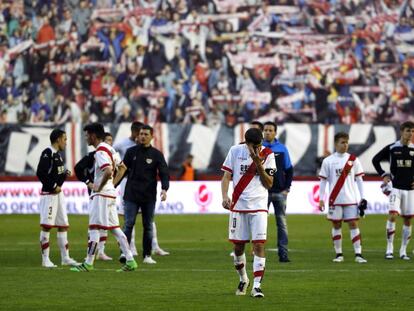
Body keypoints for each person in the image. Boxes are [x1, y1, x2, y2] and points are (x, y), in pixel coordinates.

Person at [70, 123, 137, 272]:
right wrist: (112, 186)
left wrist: (97, 187)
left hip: (101, 195)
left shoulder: (100, 151)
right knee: (115, 229)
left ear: (93, 135)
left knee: (94, 227)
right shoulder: (110, 148)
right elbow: (123, 168)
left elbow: (107, 170)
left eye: (87, 135)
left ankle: (88, 263)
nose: (86, 138)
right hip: (110, 194)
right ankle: (130, 260)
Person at [221, 128, 276, 298]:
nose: (258, 148)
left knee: (259, 244)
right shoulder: (235, 151)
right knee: (238, 247)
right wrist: (225, 196)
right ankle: (244, 278)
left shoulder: (268, 154)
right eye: (254, 146)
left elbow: (269, 184)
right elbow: (226, 176)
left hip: (259, 205)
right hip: (238, 205)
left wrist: (258, 162)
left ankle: (257, 286)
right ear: (247, 143)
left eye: (260, 145)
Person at [115, 125, 170, 264]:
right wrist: (113, 185)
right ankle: (124, 253)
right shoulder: (130, 152)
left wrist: (164, 189)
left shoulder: (157, 154)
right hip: (131, 194)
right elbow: (122, 171)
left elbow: (164, 172)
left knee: (148, 225)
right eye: (141, 134)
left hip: (149, 195)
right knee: (128, 224)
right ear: (137, 136)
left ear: (152, 136)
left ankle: (147, 256)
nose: (143, 136)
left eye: (146, 134)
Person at [319, 132, 367, 263]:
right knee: (336, 225)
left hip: (351, 199)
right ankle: (339, 254)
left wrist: (363, 198)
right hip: (335, 200)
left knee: (353, 224)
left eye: (347, 142)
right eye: (342, 142)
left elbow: (360, 180)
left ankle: (358, 254)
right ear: (336, 144)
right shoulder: (328, 161)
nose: (345, 145)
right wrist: (321, 198)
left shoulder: (353, 160)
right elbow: (323, 181)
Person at [36, 128, 79, 268]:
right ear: (58, 139)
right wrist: (54, 185)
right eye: (65, 139)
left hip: (59, 196)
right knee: (47, 227)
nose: (66, 142)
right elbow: (41, 172)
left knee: (63, 226)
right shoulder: (47, 153)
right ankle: (45, 259)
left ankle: (65, 258)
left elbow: (55, 174)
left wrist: (64, 174)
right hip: (49, 195)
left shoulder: (58, 155)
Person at [372, 121, 414, 260]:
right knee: (393, 216)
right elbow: (375, 160)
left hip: (410, 190)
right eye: (408, 131)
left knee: (408, 220)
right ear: (401, 131)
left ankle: (403, 251)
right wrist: (384, 174)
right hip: (395, 188)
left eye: (413, 131)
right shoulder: (392, 148)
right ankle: (389, 249)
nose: (410, 134)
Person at [73, 132, 115, 261]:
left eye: (110, 141)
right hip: (97, 193)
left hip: (108, 192)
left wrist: (113, 185)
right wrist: (88, 183)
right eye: (107, 140)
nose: (108, 143)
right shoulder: (93, 155)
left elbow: (121, 169)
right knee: (96, 224)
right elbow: (78, 168)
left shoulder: (112, 155)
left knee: (107, 224)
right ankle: (90, 253)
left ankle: (100, 252)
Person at [262, 121, 293, 263]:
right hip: (263, 192)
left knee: (281, 224)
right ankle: (259, 253)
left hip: (280, 192)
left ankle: (283, 254)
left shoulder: (282, 148)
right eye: (266, 130)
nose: (267, 132)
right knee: (260, 223)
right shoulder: (259, 148)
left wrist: (287, 188)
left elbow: (289, 169)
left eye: (270, 130)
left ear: (275, 132)